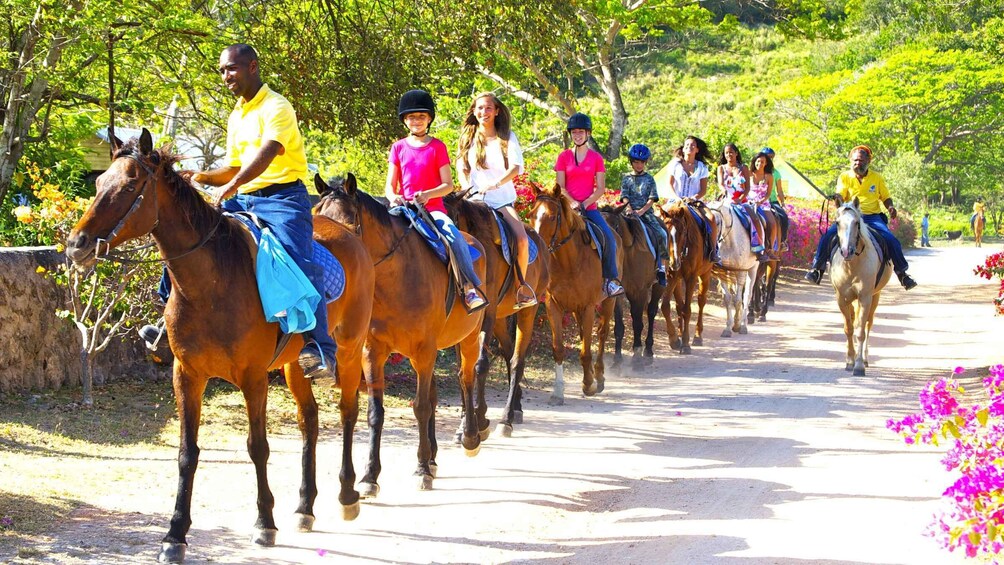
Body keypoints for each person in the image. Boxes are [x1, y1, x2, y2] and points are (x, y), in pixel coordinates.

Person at [139, 44, 338, 382]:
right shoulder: (237, 114)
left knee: (299, 259)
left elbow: (266, 154)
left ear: (252, 66)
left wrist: (228, 187)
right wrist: (200, 176)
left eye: (231, 68)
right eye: (221, 71)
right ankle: (164, 321)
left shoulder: (277, 106)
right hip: (242, 197)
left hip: (282, 199)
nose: (225, 76)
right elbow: (234, 165)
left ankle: (319, 348)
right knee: (186, 236)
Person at [387, 89, 487, 312]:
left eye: (421, 116)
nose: (416, 121)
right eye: (412, 117)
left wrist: (427, 195)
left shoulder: (437, 147)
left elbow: (448, 185)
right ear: (405, 120)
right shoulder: (398, 148)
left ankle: (469, 287)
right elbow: (389, 185)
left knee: (454, 238)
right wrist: (393, 197)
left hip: (432, 210)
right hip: (404, 209)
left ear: (429, 119)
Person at [456, 92, 536, 309]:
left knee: (521, 239)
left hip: (501, 201)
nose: (484, 112)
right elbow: (461, 167)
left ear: (497, 111)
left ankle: (521, 288)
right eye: (480, 108)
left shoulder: (507, 137)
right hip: (473, 201)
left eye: (489, 108)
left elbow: (516, 168)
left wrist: (496, 184)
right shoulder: (467, 138)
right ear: (474, 111)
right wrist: (466, 188)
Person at [804, 145, 917, 290]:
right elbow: (841, 194)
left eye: (862, 160)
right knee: (828, 236)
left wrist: (890, 207)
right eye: (855, 160)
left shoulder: (876, 178)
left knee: (891, 240)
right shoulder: (844, 177)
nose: (858, 163)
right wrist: (837, 197)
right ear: (851, 160)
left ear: (869, 161)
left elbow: (886, 197)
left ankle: (902, 274)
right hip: (850, 217)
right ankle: (817, 269)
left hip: (872, 217)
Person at [554, 112, 624, 297]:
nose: (577, 135)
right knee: (546, 233)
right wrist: (573, 202)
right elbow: (560, 186)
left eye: (581, 132)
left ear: (588, 134)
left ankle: (609, 281)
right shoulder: (563, 157)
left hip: (590, 209)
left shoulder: (596, 159)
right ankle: (543, 280)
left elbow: (600, 188)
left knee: (609, 238)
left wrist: (584, 204)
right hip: (567, 208)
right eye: (574, 132)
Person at [620, 143, 669, 286]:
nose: (639, 165)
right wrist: (628, 208)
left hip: (646, 214)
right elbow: (624, 196)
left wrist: (641, 211)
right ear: (631, 162)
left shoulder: (650, 179)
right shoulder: (626, 179)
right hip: (628, 213)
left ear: (645, 162)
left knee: (662, 234)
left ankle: (661, 267)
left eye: (641, 162)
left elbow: (652, 198)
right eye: (636, 162)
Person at [665, 135, 719, 262]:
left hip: (694, 202)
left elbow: (703, 189)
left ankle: (713, 250)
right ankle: (658, 251)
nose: (690, 147)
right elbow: (670, 184)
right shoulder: (675, 164)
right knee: (659, 217)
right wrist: (676, 197)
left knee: (711, 218)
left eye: (693, 145)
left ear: (697, 150)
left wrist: (693, 198)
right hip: (675, 200)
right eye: (687, 145)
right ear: (683, 149)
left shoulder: (702, 167)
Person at [717, 143, 765, 258]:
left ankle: (759, 247)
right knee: (712, 218)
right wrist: (724, 191)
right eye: (727, 153)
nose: (729, 155)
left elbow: (747, 188)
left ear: (736, 153)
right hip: (726, 200)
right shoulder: (721, 168)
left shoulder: (743, 168)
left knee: (755, 219)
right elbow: (720, 184)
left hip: (741, 201)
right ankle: (711, 249)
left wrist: (740, 199)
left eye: (731, 152)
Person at [749, 151, 782, 258]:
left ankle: (770, 249)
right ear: (754, 162)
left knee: (772, 223)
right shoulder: (748, 174)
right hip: (749, 202)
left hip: (763, 203)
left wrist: (760, 202)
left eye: (763, 162)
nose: (760, 164)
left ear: (766, 163)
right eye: (758, 161)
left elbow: (768, 194)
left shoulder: (769, 176)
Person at [761, 147, 789, 250]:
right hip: (756, 201)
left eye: (771, 158)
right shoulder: (756, 171)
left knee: (784, 217)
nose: (769, 160)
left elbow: (779, 190)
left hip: (771, 201)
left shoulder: (776, 173)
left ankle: (782, 241)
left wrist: (782, 203)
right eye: (767, 157)